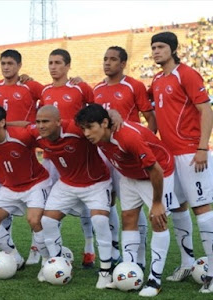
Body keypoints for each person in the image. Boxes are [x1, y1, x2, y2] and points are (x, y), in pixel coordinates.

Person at [76, 103, 179, 297]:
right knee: (129, 220)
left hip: (158, 173)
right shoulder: (99, 134)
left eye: (90, 127)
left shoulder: (127, 137)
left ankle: (155, 280)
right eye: (83, 128)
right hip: (129, 175)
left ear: (105, 123)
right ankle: (129, 273)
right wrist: (114, 112)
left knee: (158, 221)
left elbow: (155, 169)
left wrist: (157, 203)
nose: (86, 133)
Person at [149, 31, 213, 293]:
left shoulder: (186, 74)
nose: (156, 51)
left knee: (203, 210)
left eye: (161, 47)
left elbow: (206, 110)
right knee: (177, 208)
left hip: (190, 153)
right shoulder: (156, 79)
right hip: (168, 156)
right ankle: (187, 262)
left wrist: (201, 147)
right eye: (153, 47)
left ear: (173, 49)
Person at [30, 105, 113, 289]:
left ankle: (106, 272)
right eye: (38, 122)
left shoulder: (77, 129)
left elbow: (102, 120)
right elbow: (19, 127)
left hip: (96, 182)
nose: (41, 126)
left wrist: (115, 115)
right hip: (67, 183)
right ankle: (56, 264)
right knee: (48, 222)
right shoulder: (35, 134)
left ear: (59, 121)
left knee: (99, 220)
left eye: (45, 121)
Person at [93, 46, 157, 269]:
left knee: (133, 207)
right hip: (103, 153)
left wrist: (143, 143)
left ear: (122, 64)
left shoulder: (134, 85)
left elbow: (150, 118)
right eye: (105, 58)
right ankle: (112, 253)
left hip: (127, 154)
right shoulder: (97, 89)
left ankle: (138, 260)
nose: (107, 63)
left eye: (113, 59)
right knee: (106, 202)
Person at [39, 48, 96, 268]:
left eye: (58, 62)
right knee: (50, 204)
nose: (53, 67)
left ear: (68, 65)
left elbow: (96, 113)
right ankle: (56, 252)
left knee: (87, 204)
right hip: (52, 156)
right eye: (50, 62)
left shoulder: (80, 88)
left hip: (79, 155)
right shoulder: (43, 91)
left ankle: (89, 248)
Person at [0, 104, 51, 277]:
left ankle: (47, 262)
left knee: (35, 221)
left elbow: (38, 129)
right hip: (9, 187)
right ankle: (15, 258)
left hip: (35, 183)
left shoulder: (22, 136)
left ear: (2, 122)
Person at [0, 49, 44, 123]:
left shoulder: (30, 85)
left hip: (24, 134)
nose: (6, 67)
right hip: (1, 134)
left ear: (19, 65)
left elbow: (51, 97)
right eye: (3, 63)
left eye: (10, 64)